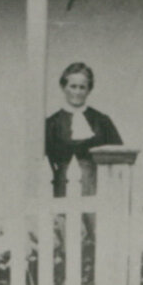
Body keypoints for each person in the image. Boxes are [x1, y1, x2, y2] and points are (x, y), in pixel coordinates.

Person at [46, 62, 122, 196]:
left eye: (82, 87)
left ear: (89, 90)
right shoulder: (52, 123)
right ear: (63, 87)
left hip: (97, 188)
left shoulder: (102, 121)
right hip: (62, 190)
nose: (77, 92)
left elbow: (118, 157)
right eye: (73, 86)